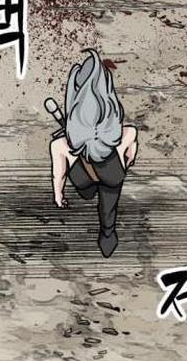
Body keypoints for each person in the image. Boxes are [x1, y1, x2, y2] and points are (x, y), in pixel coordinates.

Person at [48, 52, 138, 257]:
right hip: (113, 173)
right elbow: (131, 146)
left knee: (85, 191)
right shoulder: (124, 135)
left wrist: (58, 195)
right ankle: (107, 236)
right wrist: (128, 159)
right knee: (108, 208)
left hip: (82, 176)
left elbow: (59, 175)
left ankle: (88, 193)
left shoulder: (61, 145)